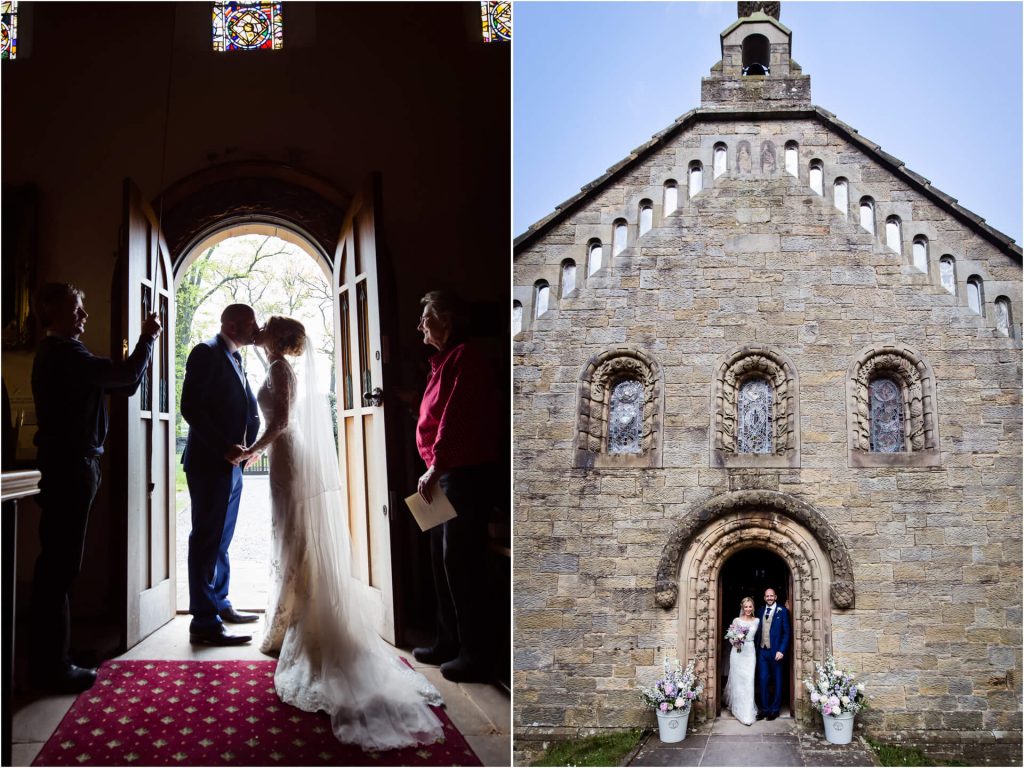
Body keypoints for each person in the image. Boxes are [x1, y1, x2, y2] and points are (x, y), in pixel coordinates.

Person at [242, 316, 444, 750]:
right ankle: (287, 616)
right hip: (285, 458)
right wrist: (258, 340)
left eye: (270, 325)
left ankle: (296, 620)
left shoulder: (280, 370)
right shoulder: (275, 363)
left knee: (293, 537)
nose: (263, 327)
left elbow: (278, 422)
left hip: (285, 455)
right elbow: (269, 371)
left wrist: (249, 452)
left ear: (279, 339)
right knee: (288, 536)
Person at [29, 282, 161, 692]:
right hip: (72, 467)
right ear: (51, 314)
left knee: (58, 565)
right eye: (76, 309)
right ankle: (53, 668)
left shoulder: (62, 354)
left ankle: (56, 658)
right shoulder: (65, 354)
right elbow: (123, 375)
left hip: (71, 465)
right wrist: (147, 338)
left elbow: (123, 383)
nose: (84, 317)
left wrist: (144, 348)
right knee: (59, 568)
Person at [413, 290, 503, 683]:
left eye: (427, 318)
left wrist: (436, 466)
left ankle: (476, 654)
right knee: (439, 557)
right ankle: (447, 642)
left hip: (460, 472)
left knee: (460, 561)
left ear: (447, 321)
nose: (420, 326)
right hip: (441, 471)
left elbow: (456, 418)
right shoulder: (442, 361)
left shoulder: (468, 357)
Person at [180, 303, 262, 646]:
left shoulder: (236, 358)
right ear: (230, 324)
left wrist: (249, 447)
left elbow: (244, 407)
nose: (255, 327)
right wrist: (223, 447)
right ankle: (203, 620)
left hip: (233, 465)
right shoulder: (206, 352)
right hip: (210, 462)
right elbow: (190, 407)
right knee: (206, 538)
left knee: (222, 540)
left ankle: (220, 602)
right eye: (250, 322)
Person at [755, 586, 791, 720]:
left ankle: (775, 709)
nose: (769, 598)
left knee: (777, 681)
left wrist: (781, 650)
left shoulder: (783, 611)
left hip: (776, 652)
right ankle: (765, 709)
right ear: (764, 598)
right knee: (763, 680)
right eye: (767, 596)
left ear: (775, 597)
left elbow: (787, 633)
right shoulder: (760, 611)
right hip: (762, 652)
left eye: (771, 596)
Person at [723, 596, 759, 725]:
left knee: (749, 681)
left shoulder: (757, 621)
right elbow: (731, 637)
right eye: (746, 607)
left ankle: (748, 713)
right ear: (742, 608)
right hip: (738, 653)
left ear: (753, 607)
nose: (748, 609)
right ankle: (738, 710)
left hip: (750, 652)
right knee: (738, 682)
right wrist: (735, 642)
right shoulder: (736, 620)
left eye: (750, 606)